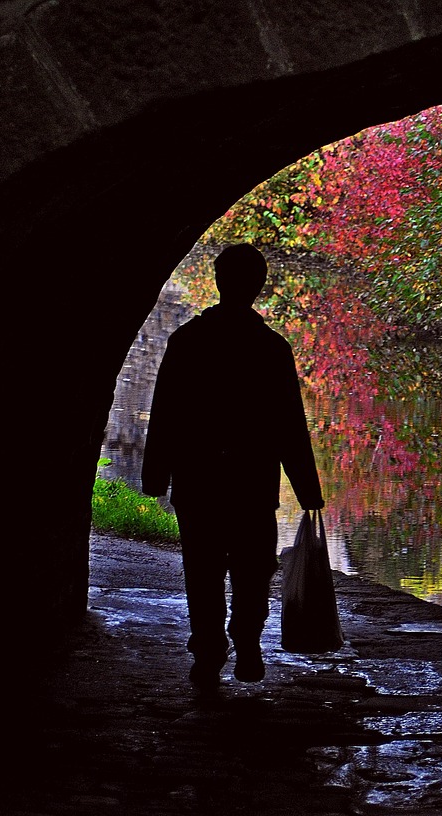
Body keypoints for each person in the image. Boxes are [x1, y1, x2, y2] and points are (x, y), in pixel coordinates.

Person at [142, 244, 324, 689]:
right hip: (251, 481)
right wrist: (306, 487)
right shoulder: (271, 348)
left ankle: (207, 649)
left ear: (219, 281)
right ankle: (246, 640)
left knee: (201, 567)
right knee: (253, 566)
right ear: (258, 286)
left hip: (197, 479)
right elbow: (289, 424)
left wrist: (156, 476)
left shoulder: (186, 341)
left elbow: (165, 410)